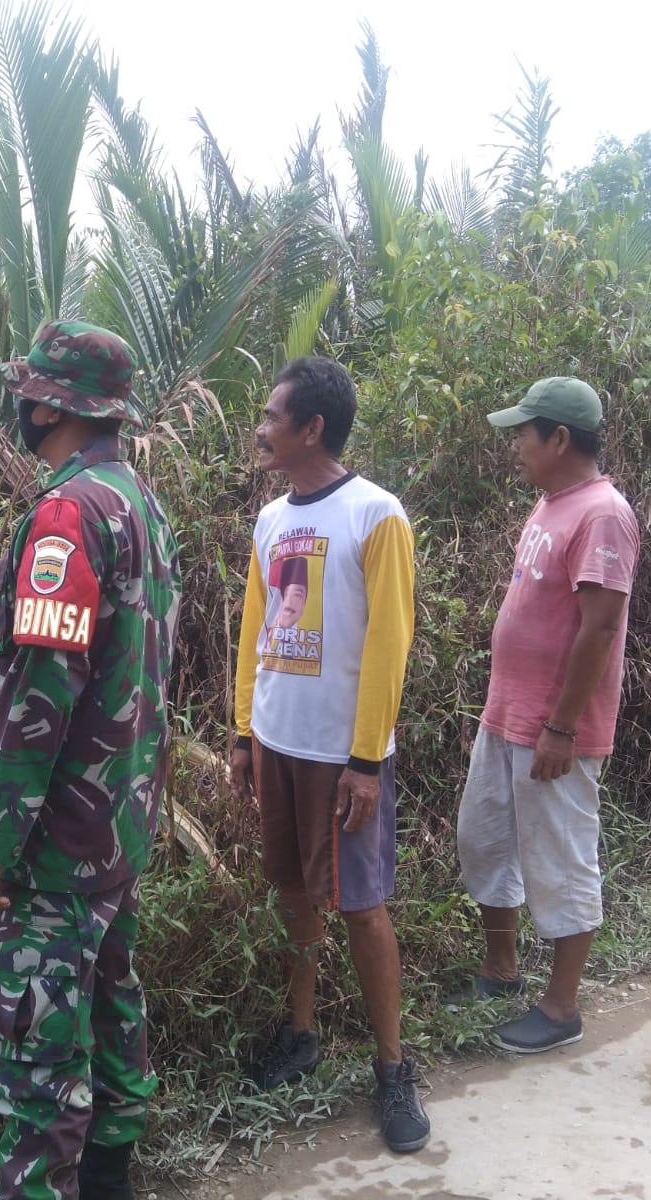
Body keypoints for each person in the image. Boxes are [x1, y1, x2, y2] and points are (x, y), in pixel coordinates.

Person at [0, 320, 183, 1200]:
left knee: (38, 1065)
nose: (20, 404)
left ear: (51, 403)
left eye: (29, 392)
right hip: (119, 832)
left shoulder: (65, 516)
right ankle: (112, 1185)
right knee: (110, 1010)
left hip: (55, 848)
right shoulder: (138, 501)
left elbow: (39, 699)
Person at [228, 356, 428, 1154]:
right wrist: (244, 732)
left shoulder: (377, 516)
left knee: (362, 905)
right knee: (293, 894)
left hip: (341, 756)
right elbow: (255, 628)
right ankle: (302, 1035)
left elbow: (390, 644)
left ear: (312, 427)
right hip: (278, 740)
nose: (262, 429)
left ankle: (392, 1066)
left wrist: (368, 759)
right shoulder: (270, 519)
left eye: (273, 417)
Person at [451, 376, 640, 1054]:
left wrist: (561, 726)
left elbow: (598, 629)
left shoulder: (602, 514)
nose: (515, 447)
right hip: (507, 716)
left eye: (523, 434)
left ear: (560, 438)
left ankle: (561, 1008)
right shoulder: (551, 505)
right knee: (484, 841)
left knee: (560, 860)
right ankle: (500, 970)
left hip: (553, 730)